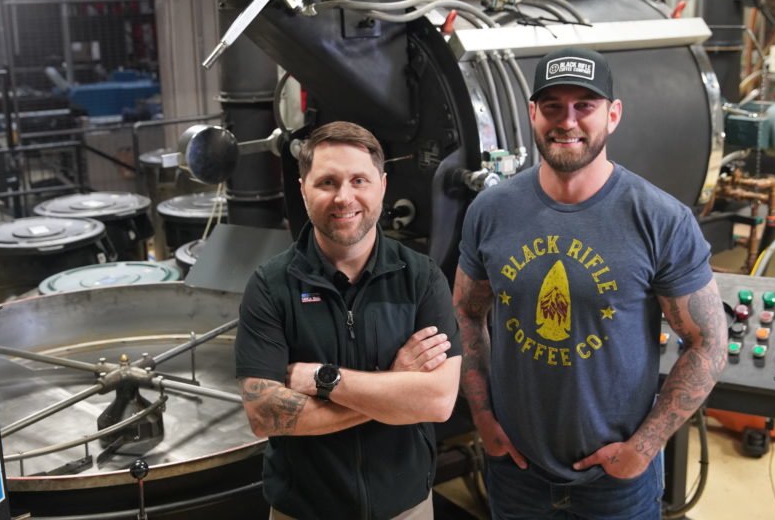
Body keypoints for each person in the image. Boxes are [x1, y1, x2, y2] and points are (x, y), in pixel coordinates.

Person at [454, 48, 728, 519]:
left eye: (585, 105)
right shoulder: (491, 211)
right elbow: (466, 311)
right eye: (553, 106)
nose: (569, 121)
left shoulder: (659, 219)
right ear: (532, 114)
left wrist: (644, 447)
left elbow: (708, 343)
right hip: (517, 474)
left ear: (613, 115)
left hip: (616, 485)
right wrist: (482, 415)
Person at [236, 121, 462, 519]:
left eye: (359, 180)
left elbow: (438, 401)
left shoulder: (421, 278)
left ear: (382, 185)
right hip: (302, 510)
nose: (344, 197)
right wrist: (395, 385)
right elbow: (264, 414)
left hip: (405, 508)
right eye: (327, 182)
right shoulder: (271, 286)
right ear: (303, 188)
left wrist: (324, 379)